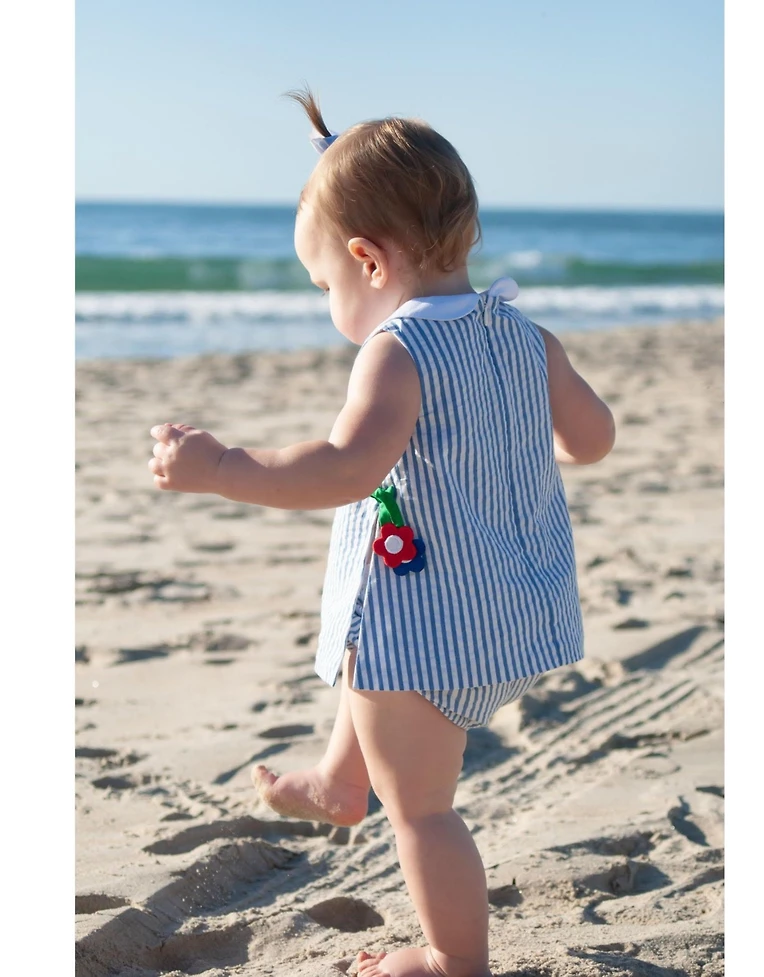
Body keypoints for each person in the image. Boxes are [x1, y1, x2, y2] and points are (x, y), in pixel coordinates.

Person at [148, 87, 615, 977]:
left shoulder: (396, 350)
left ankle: (451, 959)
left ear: (367, 260)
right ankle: (336, 780)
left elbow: (340, 467)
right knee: (371, 658)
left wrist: (219, 468)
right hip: (513, 611)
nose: (329, 300)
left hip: (432, 627)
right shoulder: (526, 335)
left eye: (324, 283)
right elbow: (593, 441)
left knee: (427, 811)